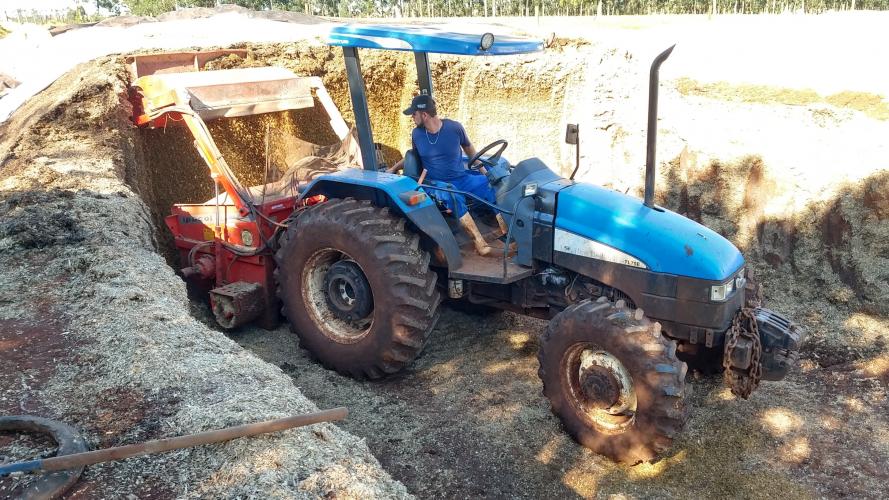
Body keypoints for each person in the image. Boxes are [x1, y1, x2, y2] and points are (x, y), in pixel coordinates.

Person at [388, 94, 506, 256]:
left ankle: (506, 234)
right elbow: (412, 156)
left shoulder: (454, 128)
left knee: (492, 186)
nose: (412, 117)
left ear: (424, 114)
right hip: (435, 184)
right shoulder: (417, 134)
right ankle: (480, 244)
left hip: (462, 179)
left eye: (414, 114)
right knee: (451, 194)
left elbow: (471, 152)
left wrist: (487, 175)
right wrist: (393, 168)